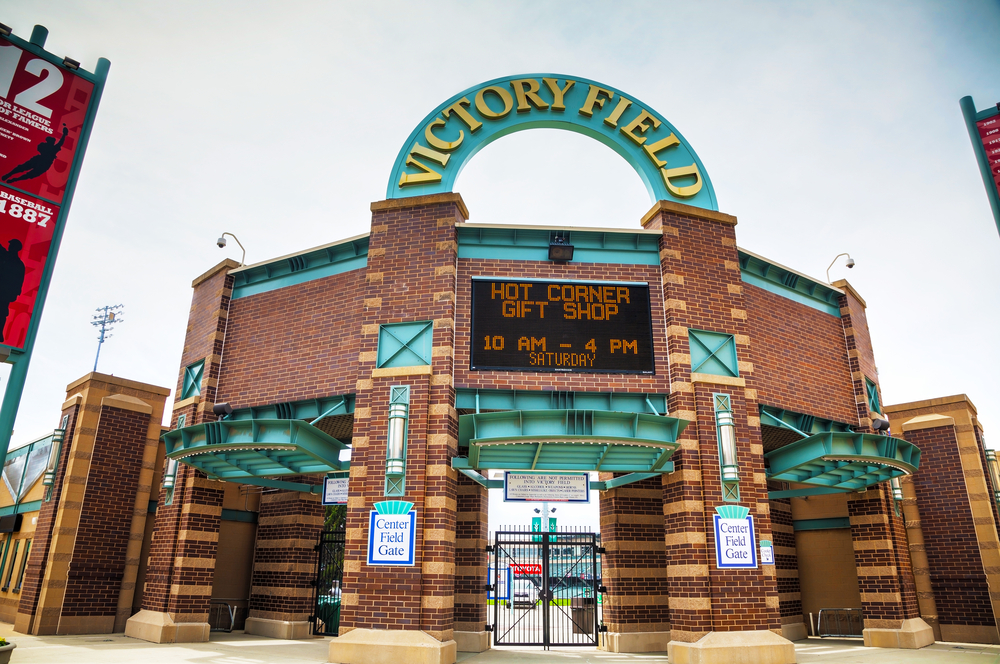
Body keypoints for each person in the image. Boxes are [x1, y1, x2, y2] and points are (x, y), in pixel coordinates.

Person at [2, 124, 68, 184]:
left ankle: (14, 179)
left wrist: (64, 135)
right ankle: (9, 175)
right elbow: (40, 148)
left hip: (45, 163)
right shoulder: (45, 146)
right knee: (22, 168)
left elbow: (60, 142)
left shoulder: (53, 148)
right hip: (39, 160)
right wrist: (64, 135)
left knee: (30, 174)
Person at [0, 239, 25, 339]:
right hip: (7, 293)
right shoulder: (17, 263)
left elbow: (19, 281)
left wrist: (14, 293)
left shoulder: (15, 262)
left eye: (11, 245)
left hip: (5, 292)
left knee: (2, 312)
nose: (9, 246)